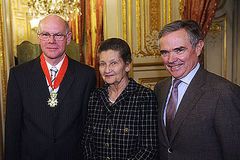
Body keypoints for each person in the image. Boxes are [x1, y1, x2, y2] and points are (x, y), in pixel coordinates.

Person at [4, 15, 96, 160]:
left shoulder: (86, 75)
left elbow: (88, 127)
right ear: (39, 37)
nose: (51, 41)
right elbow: (12, 130)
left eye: (58, 35)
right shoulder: (19, 75)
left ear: (68, 38)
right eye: (46, 34)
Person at [154, 20, 240, 160]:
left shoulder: (224, 92)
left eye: (179, 50)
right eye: (165, 52)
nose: (171, 59)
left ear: (198, 47)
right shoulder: (160, 89)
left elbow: (234, 152)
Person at [82, 38, 158, 160]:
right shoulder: (94, 97)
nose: (107, 70)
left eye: (113, 63)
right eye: (102, 64)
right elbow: (87, 142)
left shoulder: (144, 98)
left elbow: (149, 148)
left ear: (127, 66)